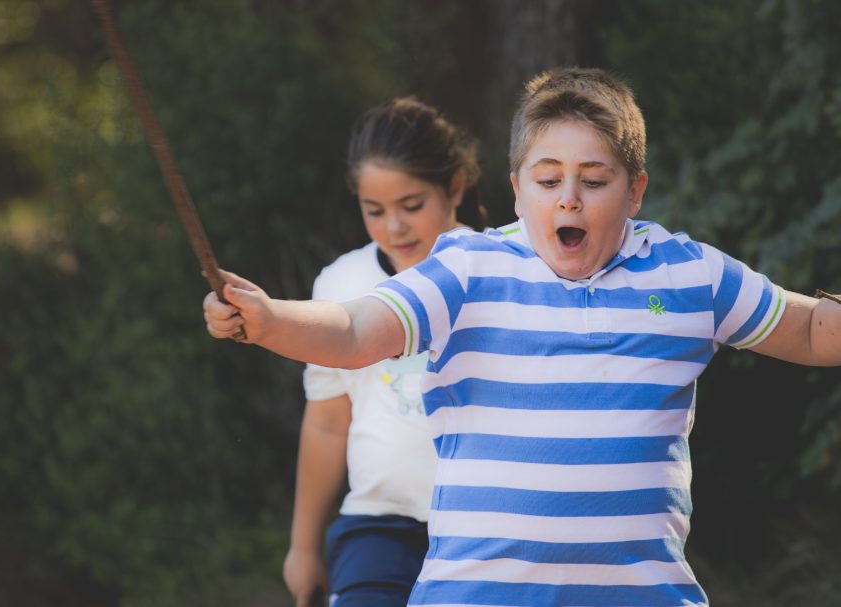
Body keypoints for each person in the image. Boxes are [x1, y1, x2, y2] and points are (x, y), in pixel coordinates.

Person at [204, 68, 841, 607]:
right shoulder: (466, 267)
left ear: (635, 190)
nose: (568, 200)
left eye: (594, 181)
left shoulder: (690, 273)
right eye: (547, 180)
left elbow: (813, 330)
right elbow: (353, 333)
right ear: (515, 190)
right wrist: (269, 319)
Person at [278, 97, 485, 607]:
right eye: (375, 210)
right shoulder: (340, 284)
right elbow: (327, 423)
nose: (394, 227)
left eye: (411, 205)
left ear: (454, 185)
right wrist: (302, 548)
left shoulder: (503, 271)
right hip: (378, 523)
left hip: (487, 526)